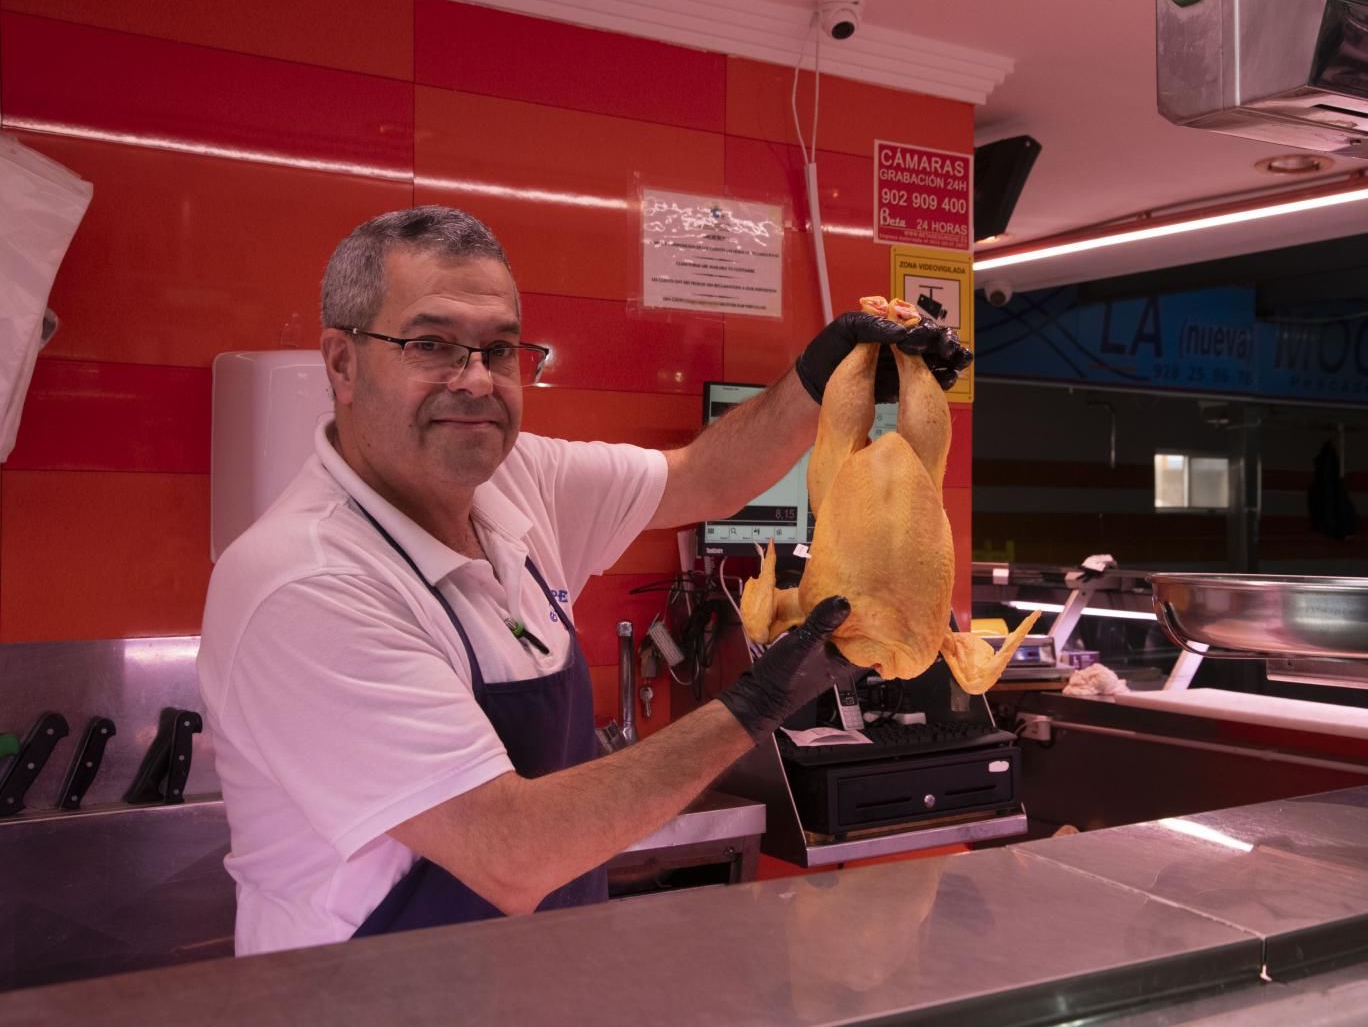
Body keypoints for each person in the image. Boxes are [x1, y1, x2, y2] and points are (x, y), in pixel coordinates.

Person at [197, 205, 971, 954]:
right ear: (342, 362)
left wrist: (820, 373)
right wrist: (758, 702)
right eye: (432, 343)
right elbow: (510, 853)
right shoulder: (304, 582)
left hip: (531, 986)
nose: (476, 382)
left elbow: (706, 476)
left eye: (500, 350)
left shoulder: (515, 476)